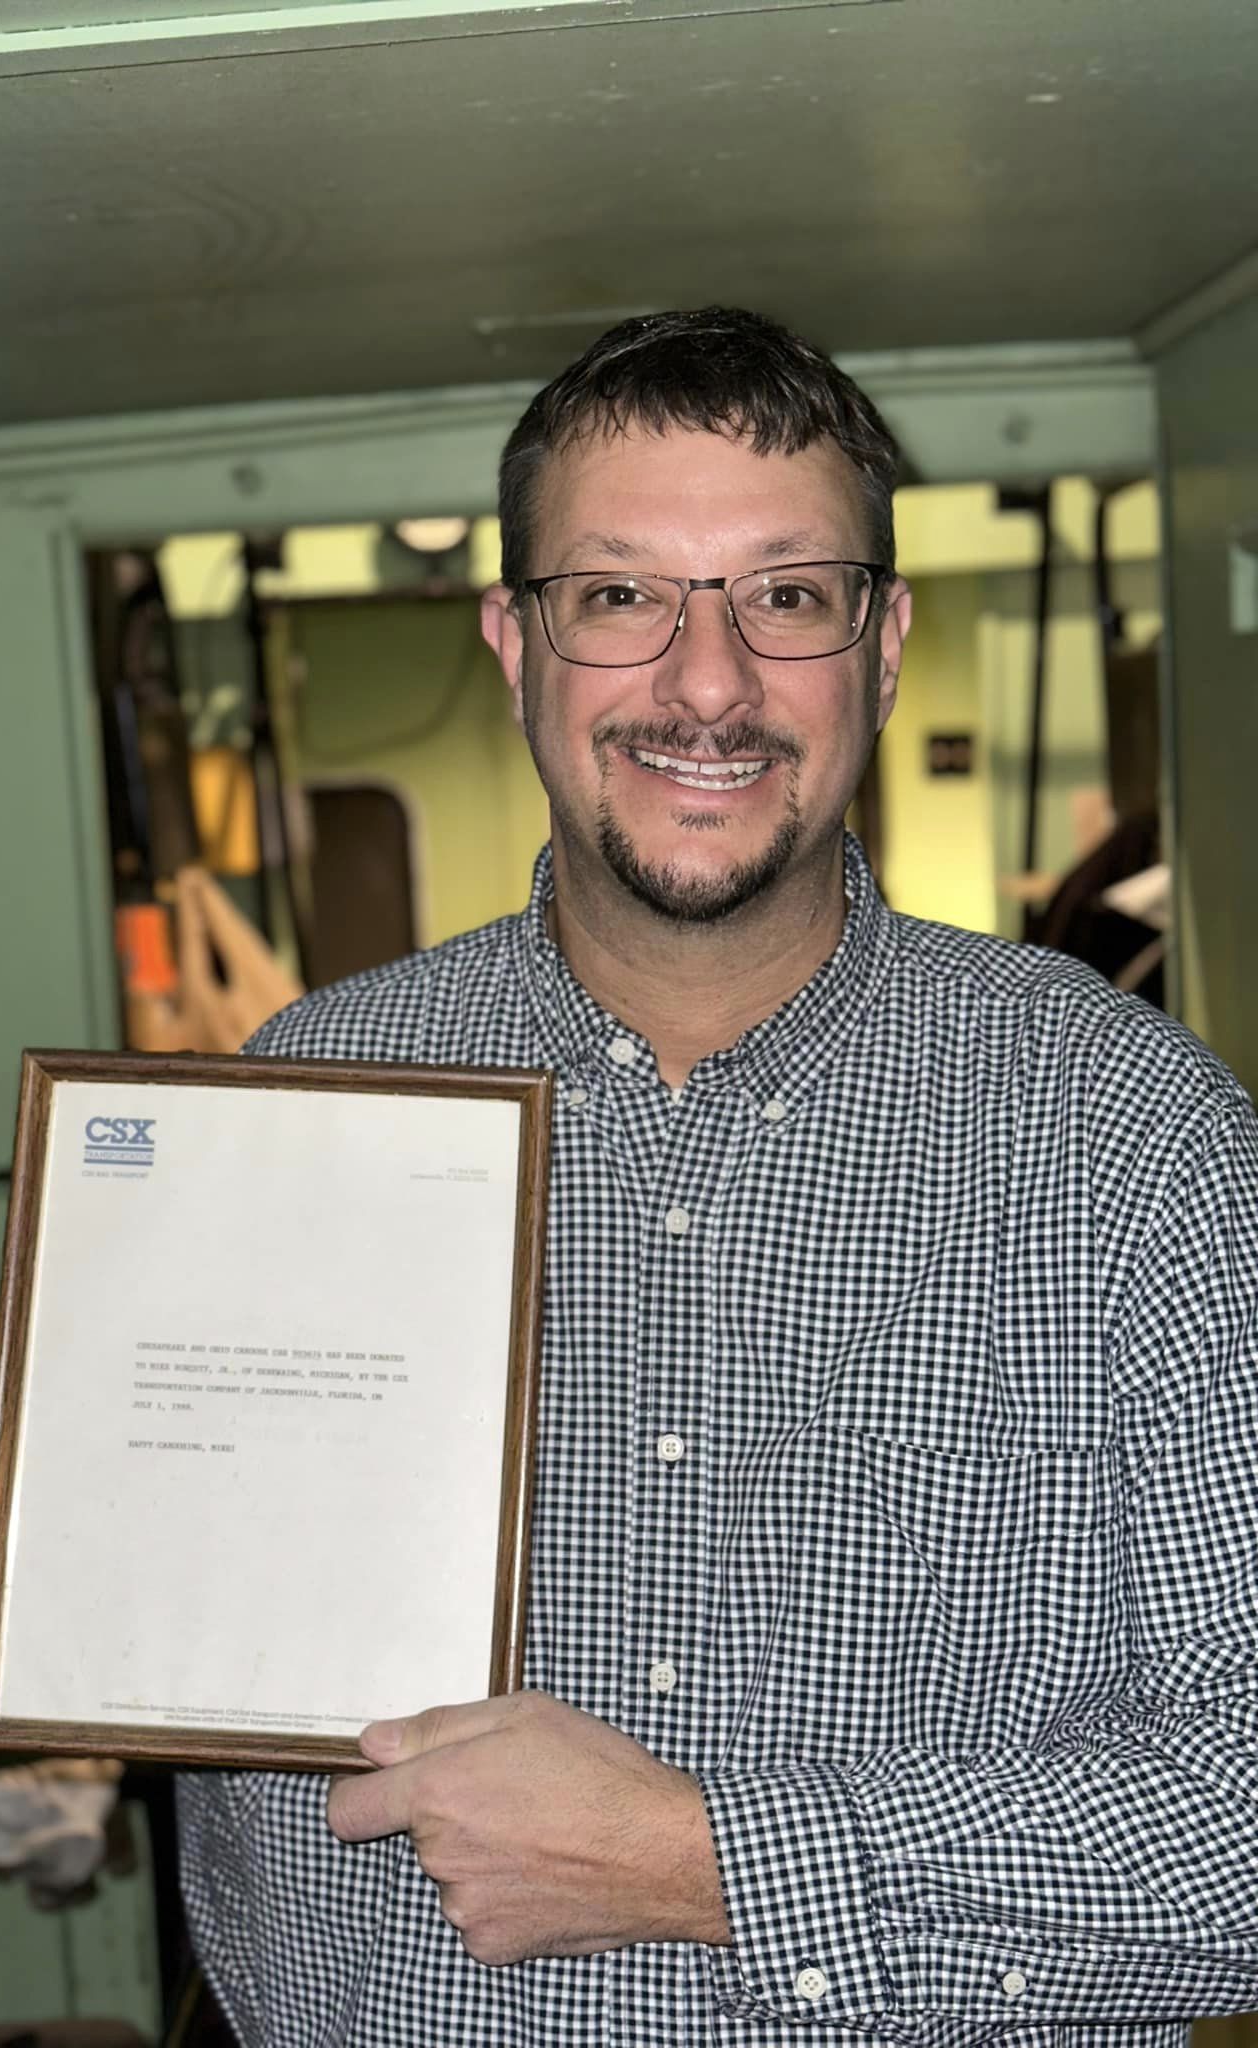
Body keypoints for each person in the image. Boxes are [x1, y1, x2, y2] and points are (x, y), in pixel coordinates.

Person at [177, 307, 1258, 2047]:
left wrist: (715, 1862)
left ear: (885, 642)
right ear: (516, 645)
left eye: (786, 595)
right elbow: (217, 1746)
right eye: (619, 597)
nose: (706, 683)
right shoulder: (313, 1097)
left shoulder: (1141, 1146)